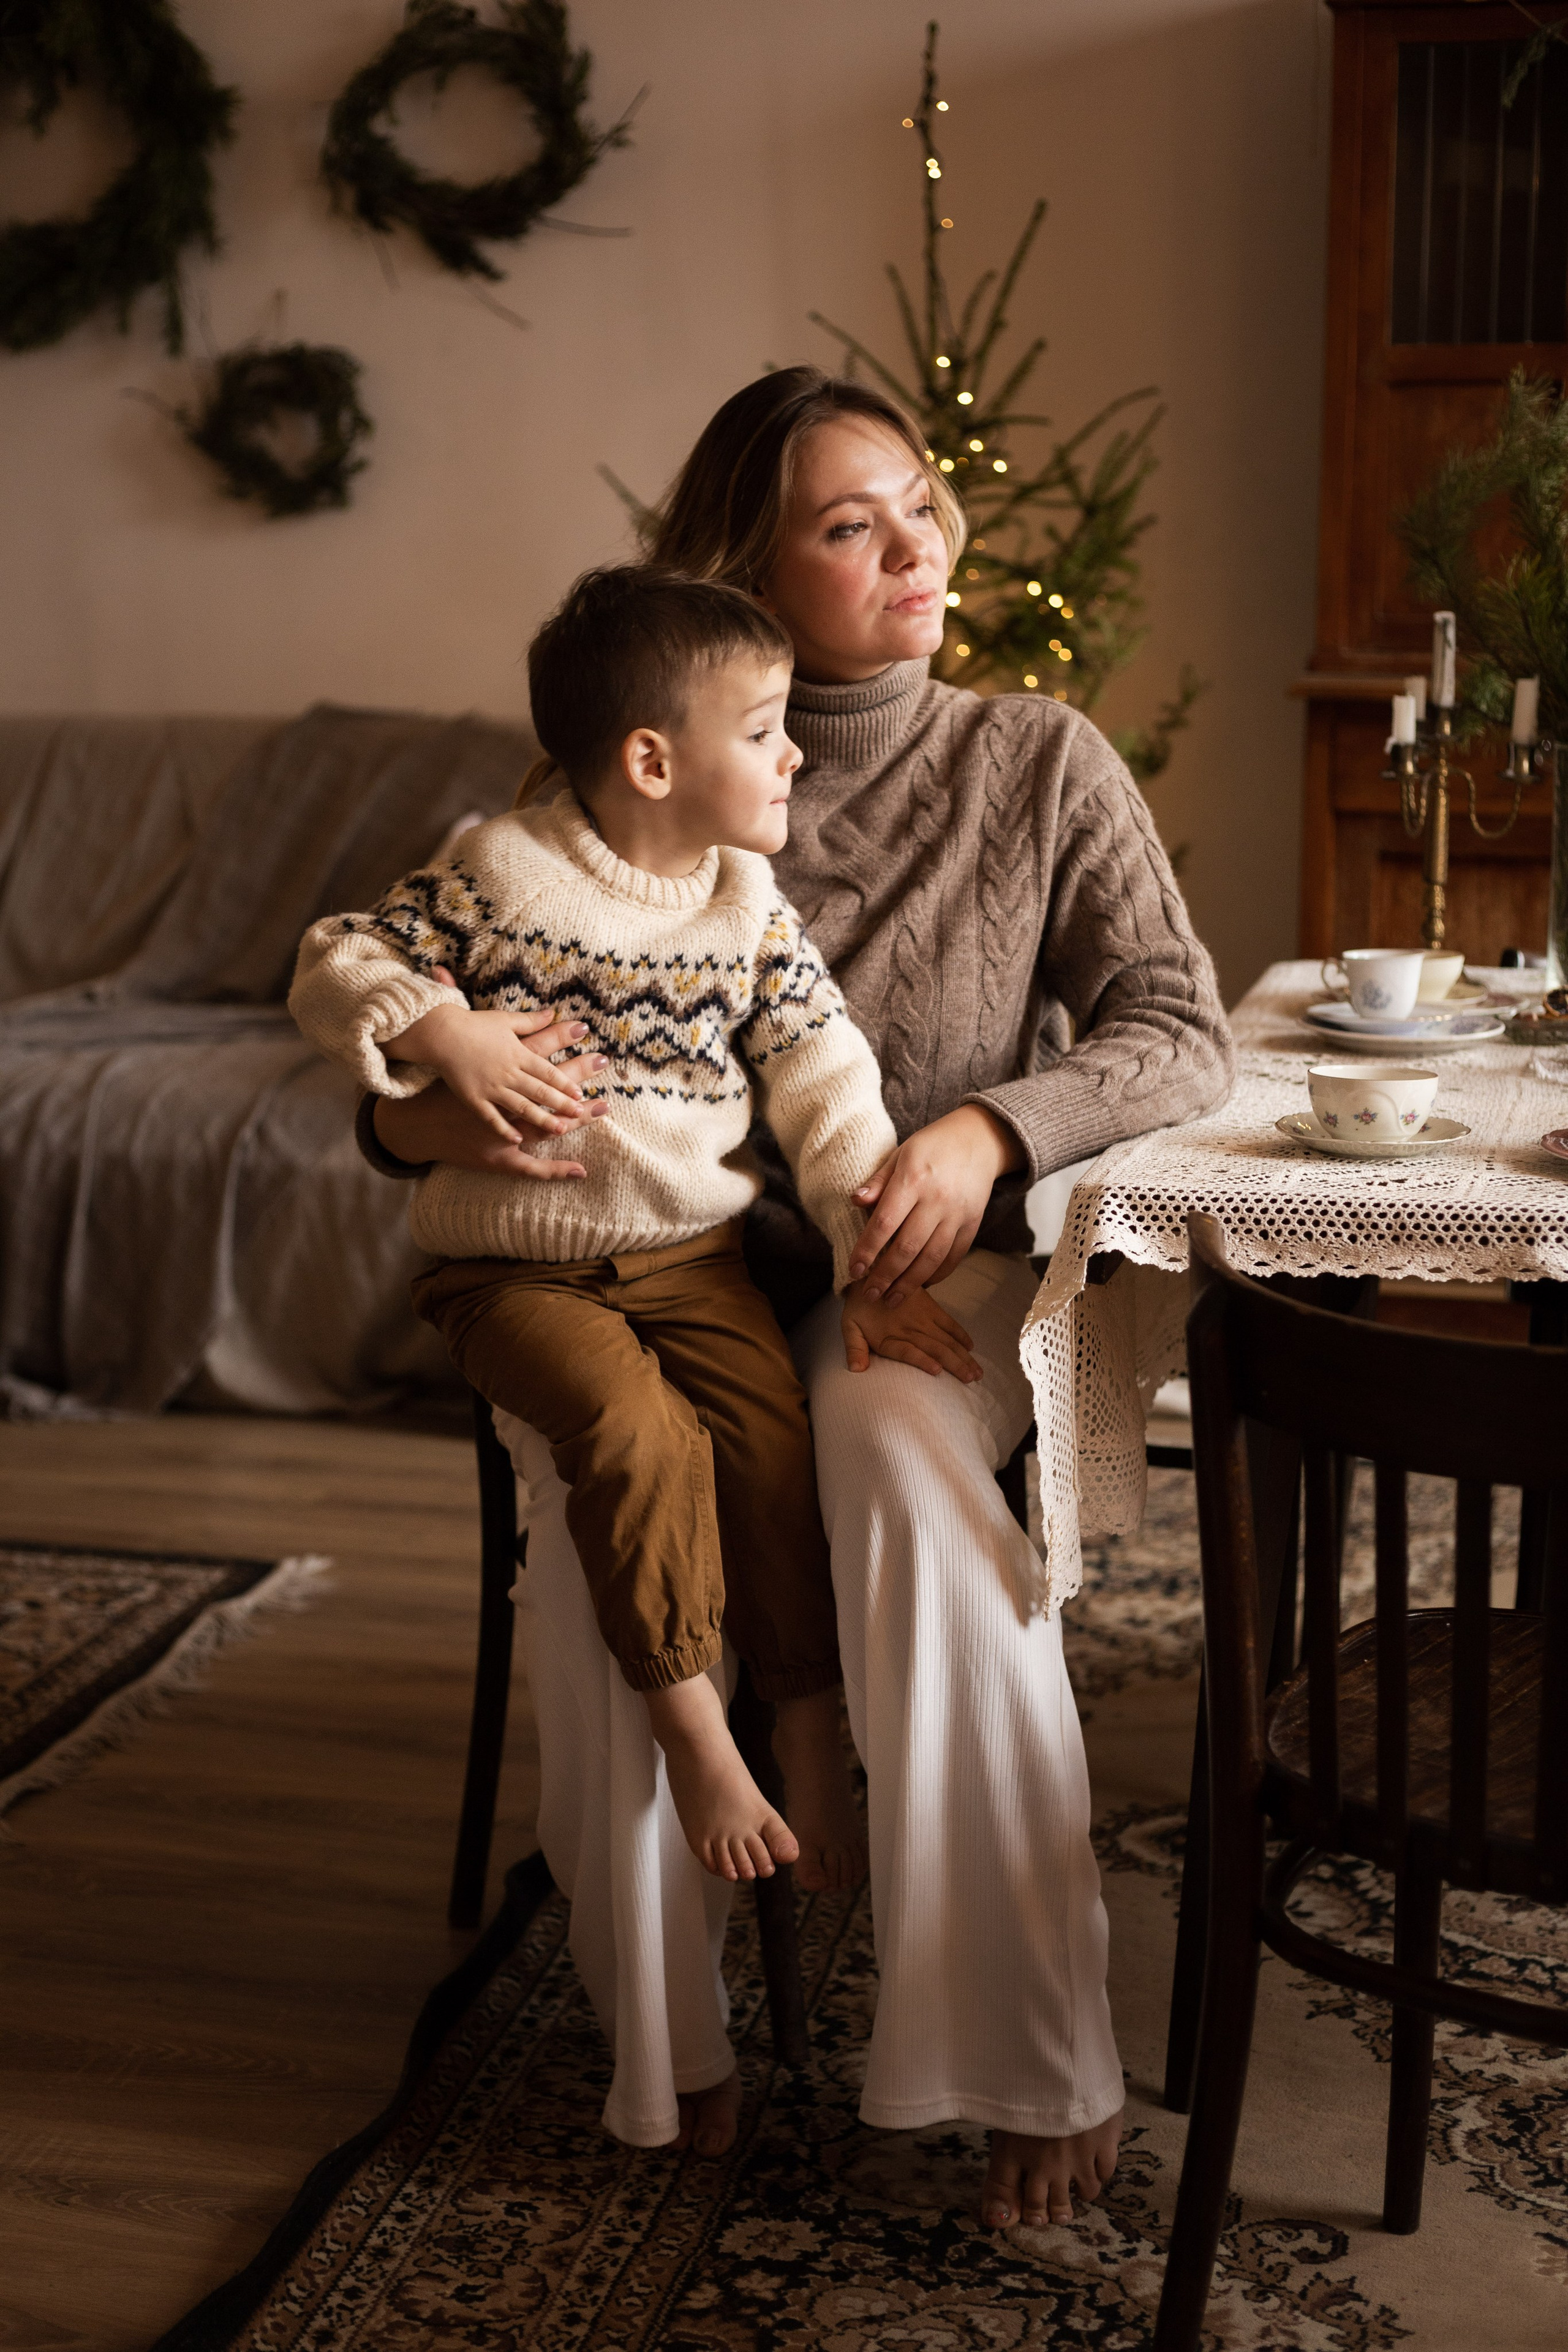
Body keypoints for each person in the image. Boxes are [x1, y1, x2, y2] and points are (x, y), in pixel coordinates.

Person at [361, 368, 1234, 2216]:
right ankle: (665, 2051)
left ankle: (1030, 2039)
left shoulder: (1036, 761)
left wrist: (992, 1132)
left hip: (920, 1282)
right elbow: (435, 1062)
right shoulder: (636, 773)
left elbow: (1179, 1027)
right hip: (650, 1278)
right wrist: (436, 1108)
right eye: (853, 523)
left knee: (890, 1446)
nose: (917, 542)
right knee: (615, 1480)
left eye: (921, 501)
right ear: (749, 570)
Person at [293, 565, 967, 1891]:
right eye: (768, 726)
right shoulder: (502, 872)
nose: (795, 754)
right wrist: (444, 1028)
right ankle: (693, 1729)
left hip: (690, 1263)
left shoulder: (745, 910)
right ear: (652, 759)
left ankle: (807, 1720)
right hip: (510, 1277)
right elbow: (335, 958)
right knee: (634, 1435)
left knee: (772, 1443)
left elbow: (826, 1083)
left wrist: (872, 1260)